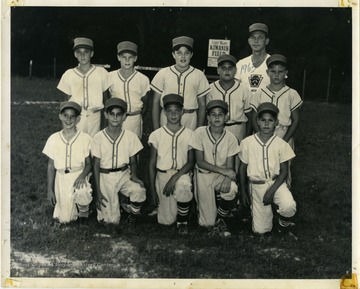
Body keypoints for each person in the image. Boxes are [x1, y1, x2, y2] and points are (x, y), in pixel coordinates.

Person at [239, 102, 297, 236]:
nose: (266, 124)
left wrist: (271, 191)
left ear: (276, 123)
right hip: (257, 185)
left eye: (270, 120)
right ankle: (263, 215)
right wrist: (243, 190)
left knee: (289, 206)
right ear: (257, 121)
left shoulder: (281, 144)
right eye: (263, 120)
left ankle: (283, 228)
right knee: (261, 231)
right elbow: (242, 168)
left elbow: (284, 171)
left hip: (276, 183)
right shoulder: (247, 142)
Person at [91, 98, 146, 229]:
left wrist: (134, 175)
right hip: (105, 176)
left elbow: (133, 161)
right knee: (109, 222)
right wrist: (97, 191)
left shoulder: (130, 136)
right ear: (106, 115)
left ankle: (133, 217)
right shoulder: (98, 137)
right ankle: (118, 206)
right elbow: (96, 165)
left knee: (139, 191)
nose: (115, 118)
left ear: (124, 117)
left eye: (119, 114)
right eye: (112, 114)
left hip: (123, 174)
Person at [250, 54, 303, 186]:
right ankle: (260, 199)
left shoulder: (292, 93)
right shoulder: (260, 92)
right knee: (261, 166)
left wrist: (285, 141)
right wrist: (259, 136)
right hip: (263, 133)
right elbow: (253, 117)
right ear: (267, 72)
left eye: (280, 72)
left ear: (286, 73)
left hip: (283, 133)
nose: (276, 75)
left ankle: (282, 201)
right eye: (273, 71)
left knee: (283, 168)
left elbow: (295, 120)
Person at [190, 100, 240, 236]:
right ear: (208, 117)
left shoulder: (231, 138)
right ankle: (216, 215)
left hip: (220, 176)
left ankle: (221, 220)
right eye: (213, 114)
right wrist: (225, 172)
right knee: (207, 224)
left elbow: (230, 166)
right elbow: (200, 162)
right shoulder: (199, 132)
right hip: (203, 175)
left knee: (232, 188)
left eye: (220, 114)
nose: (217, 118)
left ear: (226, 117)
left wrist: (227, 178)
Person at [148, 94, 195, 235]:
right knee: (166, 221)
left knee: (184, 186)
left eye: (177, 110)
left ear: (182, 112)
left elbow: (191, 162)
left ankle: (182, 222)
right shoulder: (157, 134)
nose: (173, 114)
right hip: (163, 175)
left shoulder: (190, 134)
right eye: (169, 111)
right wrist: (152, 191)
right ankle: (183, 208)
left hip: (182, 173)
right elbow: (151, 164)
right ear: (164, 112)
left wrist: (174, 178)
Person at [42, 101, 92, 225]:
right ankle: (74, 208)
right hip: (61, 178)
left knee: (82, 192)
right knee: (65, 219)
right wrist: (50, 190)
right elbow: (50, 166)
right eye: (65, 115)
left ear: (78, 119)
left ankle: (84, 213)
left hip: (78, 174)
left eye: (72, 116)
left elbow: (89, 164)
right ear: (60, 116)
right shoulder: (53, 138)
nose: (68, 119)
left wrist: (82, 176)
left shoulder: (85, 138)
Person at [151, 36, 210, 131]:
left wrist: (199, 129)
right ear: (173, 55)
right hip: (167, 116)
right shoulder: (163, 73)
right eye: (179, 53)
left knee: (189, 145)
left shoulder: (199, 75)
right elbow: (155, 102)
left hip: (190, 118)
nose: (183, 56)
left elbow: (202, 104)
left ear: (191, 55)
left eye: (186, 53)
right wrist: (156, 128)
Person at [57, 37, 110, 137]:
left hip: (95, 116)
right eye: (79, 52)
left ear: (92, 53)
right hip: (77, 116)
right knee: (77, 144)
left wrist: (106, 122)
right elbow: (66, 102)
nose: (82, 55)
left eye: (86, 52)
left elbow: (107, 100)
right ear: (75, 54)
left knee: (94, 146)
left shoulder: (101, 73)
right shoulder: (69, 74)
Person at [108, 41, 150, 139]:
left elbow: (145, 103)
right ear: (118, 57)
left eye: (130, 57)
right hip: (115, 118)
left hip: (134, 119)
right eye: (124, 57)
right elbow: (107, 100)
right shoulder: (110, 77)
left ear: (135, 58)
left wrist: (136, 115)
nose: (127, 60)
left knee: (134, 149)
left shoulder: (142, 79)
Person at [207, 54, 252, 142]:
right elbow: (206, 116)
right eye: (223, 68)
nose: (227, 71)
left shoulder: (244, 89)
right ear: (218, 70)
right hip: (215, 129)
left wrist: (247, 137)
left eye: (230, 68)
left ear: (235, 70)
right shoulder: (210, 89)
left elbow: (250, 116)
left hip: (237, 128)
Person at [235, 23, 271, 94]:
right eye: (253, 37)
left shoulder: (273, 63)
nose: (256, 41)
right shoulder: (240, 64)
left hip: (266, 104)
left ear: (266, 41)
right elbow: (235, 91)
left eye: (260, 37)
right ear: (249, 41)